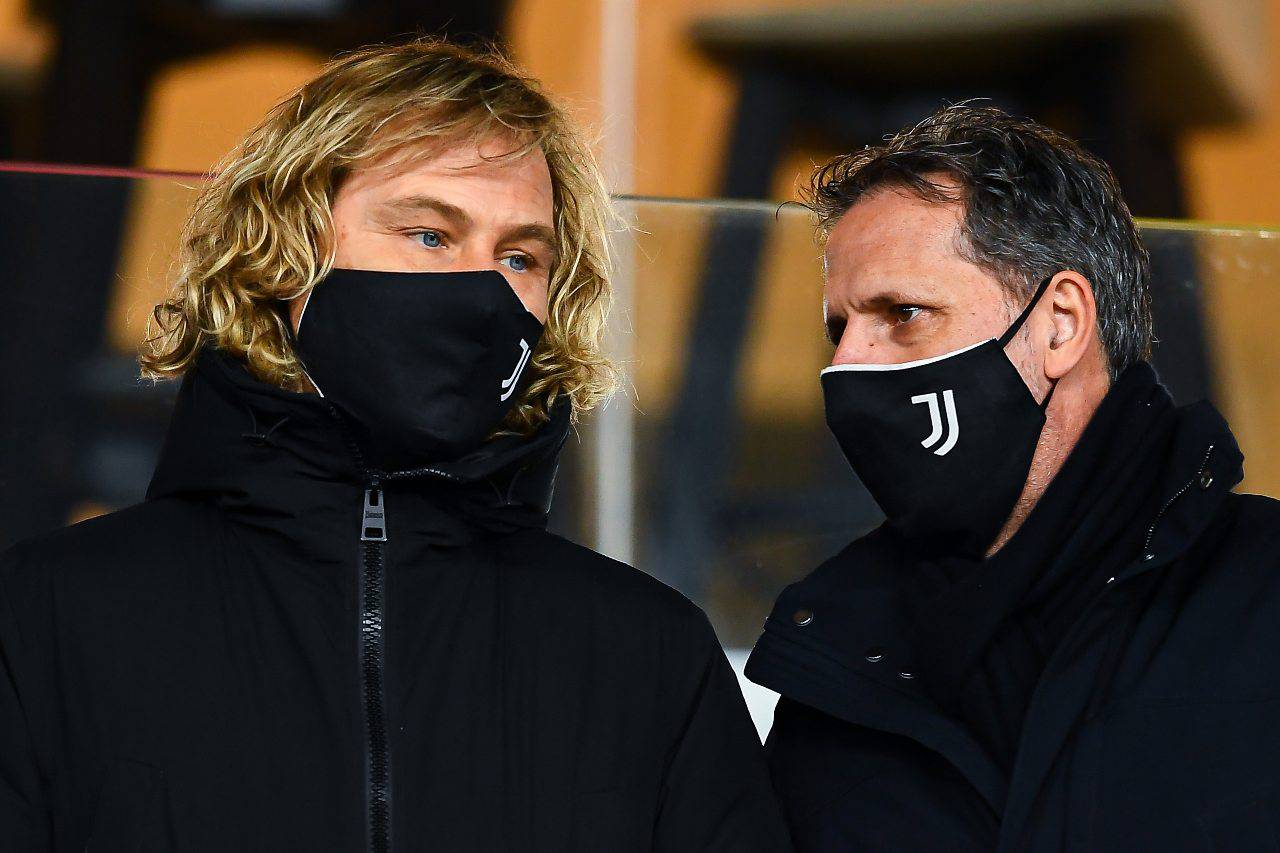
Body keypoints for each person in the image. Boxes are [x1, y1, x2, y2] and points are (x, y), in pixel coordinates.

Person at [0, 39, 790, 852]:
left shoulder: (648, 654)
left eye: (520, 257)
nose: (483, 289)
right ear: (287, 252)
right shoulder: (45, 619)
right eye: (430, 235)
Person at [748, 103, 1280, 851]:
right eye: (840, 329)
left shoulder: (1261, 600)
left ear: (1059, 323)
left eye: (903, 313)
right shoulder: (828, 669)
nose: (845, 367)